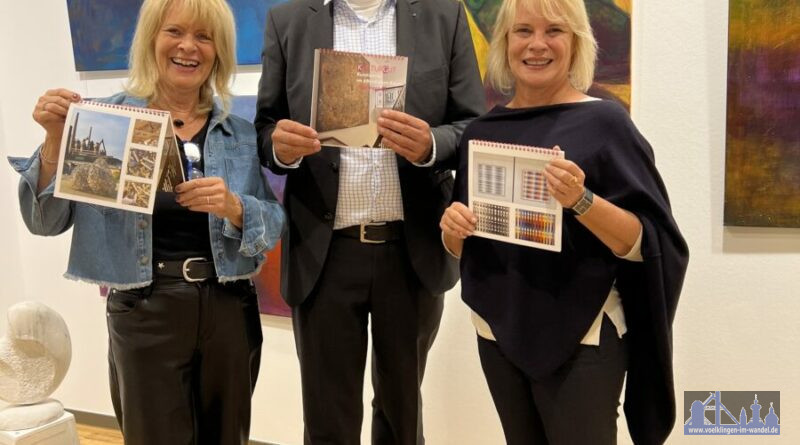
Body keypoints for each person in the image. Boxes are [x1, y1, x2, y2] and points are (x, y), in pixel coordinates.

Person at [8, 0, 285, 443]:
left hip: (229, 307)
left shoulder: (239, 132)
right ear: (151, 39)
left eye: (205, 36)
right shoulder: (101, 121)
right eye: (175, 31)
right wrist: (54, 142)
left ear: (220, 51)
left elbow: (272, 220)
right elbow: (45, 221)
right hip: (144, 310)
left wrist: (236, 208)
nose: (188, 47)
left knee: (228, 436)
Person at [439, 0, 689, 444]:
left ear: (576, 44)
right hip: (498, 333)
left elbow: (646, 242)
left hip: (585, 336)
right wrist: (452, 232)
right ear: (504, 43)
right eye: (523, 31)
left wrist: (581, 200)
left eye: (554, 30)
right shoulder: (481, 132)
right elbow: (468, 248)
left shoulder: (605, 123)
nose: (537, 44)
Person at [254, 0, 485, 443]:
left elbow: (471, 125)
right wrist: (279, 147)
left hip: (411, 252)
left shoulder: (443, 15)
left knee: (402, 416)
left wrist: (431, 145)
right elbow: (264, 127)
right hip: (323, 255)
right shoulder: (289, 21)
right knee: (327, 419)